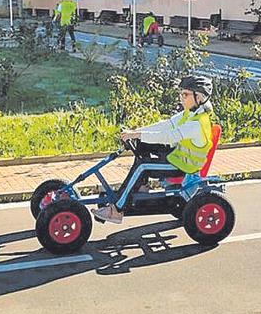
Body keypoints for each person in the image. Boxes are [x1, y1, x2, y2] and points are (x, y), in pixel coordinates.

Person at [92, 75, 215, 224]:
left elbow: (168, 137)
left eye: (185, 94)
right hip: (177, 157)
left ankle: (116, 210)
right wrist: (135, 133)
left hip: (185, 165)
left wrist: (137, 134)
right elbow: (166, 125)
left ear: (199, 97)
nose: (181, 98)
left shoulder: (197, 123)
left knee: (143, 166)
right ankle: (140, 186)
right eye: (181, 94)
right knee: (142, 144)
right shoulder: (189, 113)